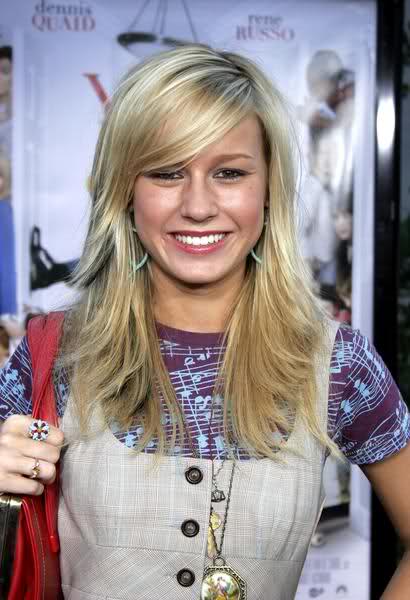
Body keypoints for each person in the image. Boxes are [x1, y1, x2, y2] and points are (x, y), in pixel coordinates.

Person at [0, 44, 409, 600]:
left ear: (269, 188)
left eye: (229, 173)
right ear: (125, 191)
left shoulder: (338, 361)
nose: (197, 206)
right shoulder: (57, 352)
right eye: (167, 172)